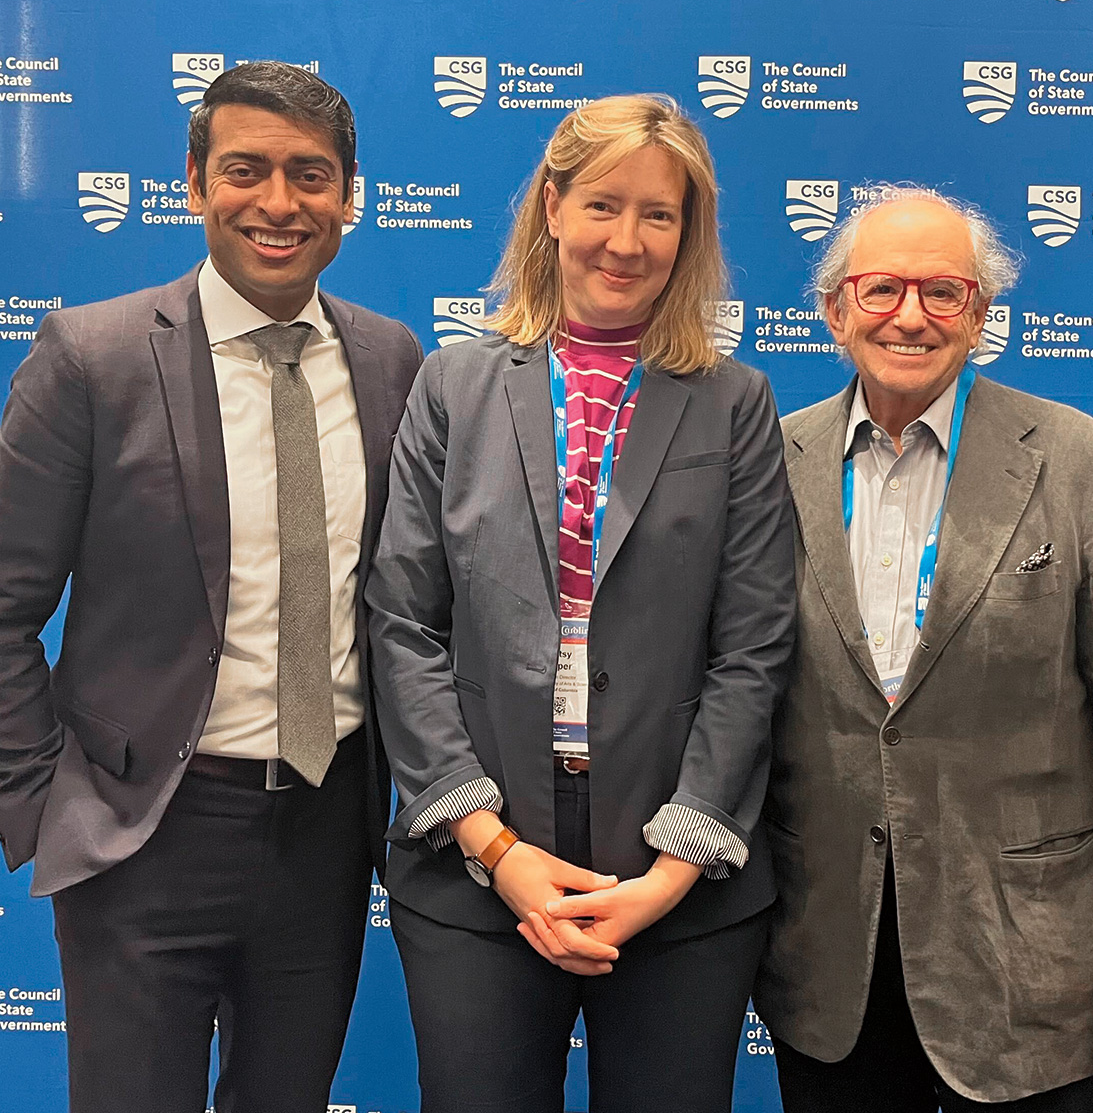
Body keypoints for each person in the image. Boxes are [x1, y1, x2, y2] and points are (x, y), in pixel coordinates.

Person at [0, 61, 422, 1113]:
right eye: (247, 170)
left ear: (348, 196)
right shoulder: (90, 357)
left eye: (311, 177)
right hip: (142, 835)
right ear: (193, 184)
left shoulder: (391, 360)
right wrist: (45, 803)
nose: (279, 204)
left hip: (326, 837)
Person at [367, 94, 796, 1113]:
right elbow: (403, 624)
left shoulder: (733, 403)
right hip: (479, 863)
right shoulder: (453, 386)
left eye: (661, 214)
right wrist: (495, 848)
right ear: (552, 207)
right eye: (605, 204)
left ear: (688, 235)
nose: (628, 239)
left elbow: (755, 648)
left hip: (678, 873)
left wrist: (674, 861)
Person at [755, 186, 1093, 1112]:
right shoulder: (768, 463)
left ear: (981, 315)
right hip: (827, 968)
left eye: (942, 292)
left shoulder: (1083, 464)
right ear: (834, 311)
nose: (909, 317)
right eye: (880, 290)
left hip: (1027, 975)